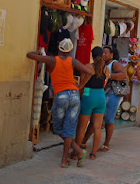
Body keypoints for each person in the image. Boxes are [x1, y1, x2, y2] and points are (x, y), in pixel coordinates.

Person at [26, 38, 92, 168]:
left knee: (58, 129)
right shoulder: (72, 61)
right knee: (68, 130)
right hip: (74, 95)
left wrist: (39, 52)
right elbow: (89, 72)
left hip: (61, 96)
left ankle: (65, 159)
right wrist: (80, 86)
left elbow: (29, 55)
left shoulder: (51, 60)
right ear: (70, 50)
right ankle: (77, 151)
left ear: (58, 48)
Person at [82, 46, 127, 152]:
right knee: (95, 121)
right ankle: (84, 141)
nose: (104, 55)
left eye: (106, 53)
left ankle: (106, 144)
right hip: (101, 94)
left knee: (109, 120)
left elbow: (124, 75)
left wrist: (110, 76)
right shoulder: (101, 65)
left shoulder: (114, 64)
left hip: (111, 95)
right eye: (103, 53)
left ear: (111, 54)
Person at [74, 46, 109, 160]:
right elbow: (104, 84)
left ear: (92, 56)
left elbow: (82, 83)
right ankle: (93, 153)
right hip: (101, 96)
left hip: (88, 95)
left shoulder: (88, 66)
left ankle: (76, 152)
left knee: (82, 127)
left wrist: (78, 88)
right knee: (97, 127)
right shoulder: (106, 69)